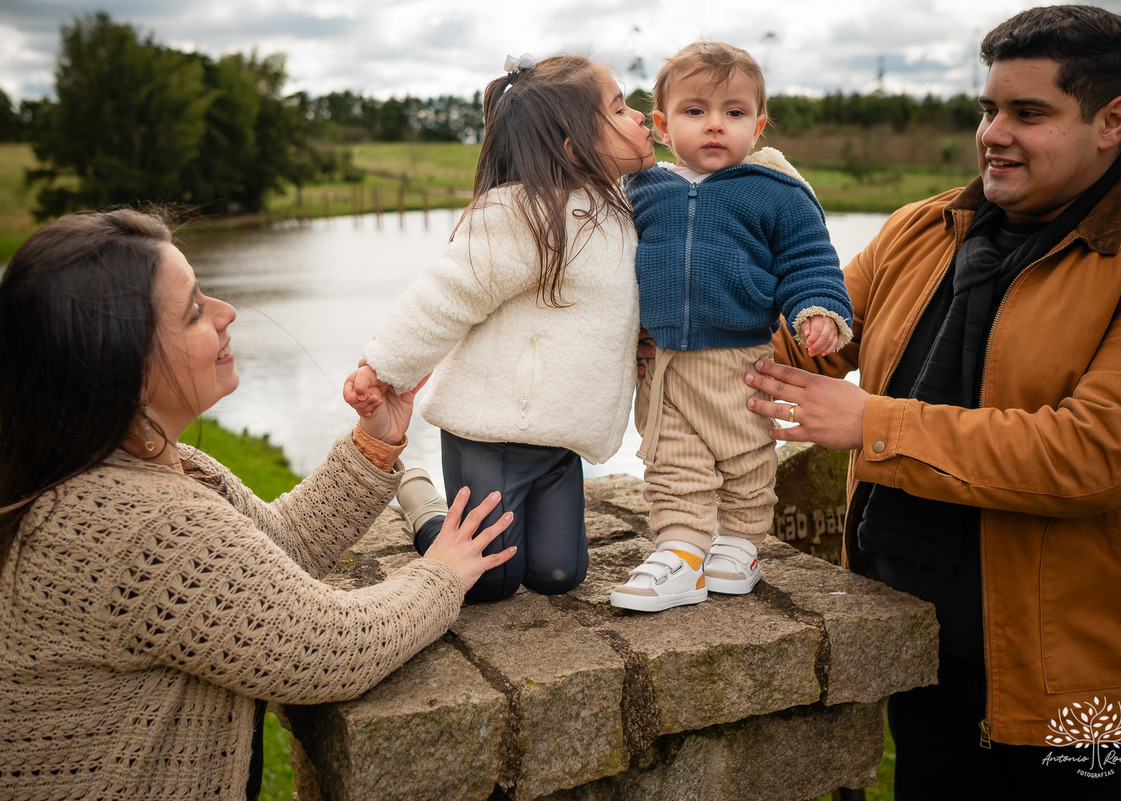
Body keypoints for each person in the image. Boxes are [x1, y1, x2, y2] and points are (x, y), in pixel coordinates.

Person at [744, 6, 1121, 798]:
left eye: (1029, 113)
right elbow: (794, 338)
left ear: (1112, 121)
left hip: (1095, 680)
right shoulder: (924, 228)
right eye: (990, 108)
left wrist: (870, 423)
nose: (993, 132)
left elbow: (1096, 453)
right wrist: (659, 331)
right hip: (926, 654)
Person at [0, 208, 517, 800]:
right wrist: (440, 574)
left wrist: (375, 440)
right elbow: (332, 647)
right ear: (123, 367)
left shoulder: (151, 466)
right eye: (195, 310)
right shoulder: (140, 521)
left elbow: (276, 549)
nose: (227, 314)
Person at [348, 54, 656, 603]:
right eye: (620, 108)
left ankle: (482, 530)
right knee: (487, 582)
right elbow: (445, 295)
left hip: (559, 439)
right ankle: (423, 506)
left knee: (559, 575)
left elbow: (609, 303)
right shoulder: (524, 214)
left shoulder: (621, 209)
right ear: (573, 147)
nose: (643, 118)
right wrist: (384, 366)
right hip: (491, 434)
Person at [609, 41, 852, 612]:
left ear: (758, 126)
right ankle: (679, 553)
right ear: (664, 126)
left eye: (734, 113)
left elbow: (808, 260)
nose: (715, 125)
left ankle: (740, 544)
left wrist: (817, 310)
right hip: (663, 362)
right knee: (673, 460)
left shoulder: (777, 194)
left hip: (742, 359)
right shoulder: (641, 192)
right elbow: (609, 264)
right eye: (696, 112)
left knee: (746, 456)